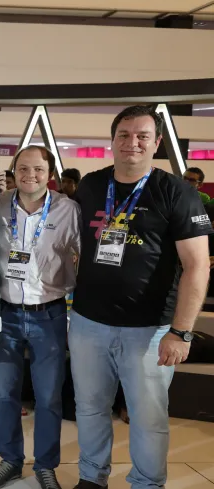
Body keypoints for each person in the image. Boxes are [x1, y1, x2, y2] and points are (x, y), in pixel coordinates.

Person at [70, 106, 211, 489]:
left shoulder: (177, 192)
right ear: (112, 140)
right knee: (90, 408)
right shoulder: (91, 186)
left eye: (142, 136)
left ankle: (147, 484)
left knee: (147, 416)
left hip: (149, 330)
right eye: (124, 134)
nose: (132, 142)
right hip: (87, 322)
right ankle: (91, 478)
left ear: (157, 143)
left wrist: (181, 332)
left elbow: (198, 266)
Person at [0, 146, 80, 489]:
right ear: (14, 170)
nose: (30, 175)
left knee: (48, 396)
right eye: (23, 169)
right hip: (5, 313)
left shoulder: (69, 209)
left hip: (49, 314)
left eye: (38, 169)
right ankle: (10, 460)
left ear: (49, 172)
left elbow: (85, 255)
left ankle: (46, 465)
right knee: (7, 394)